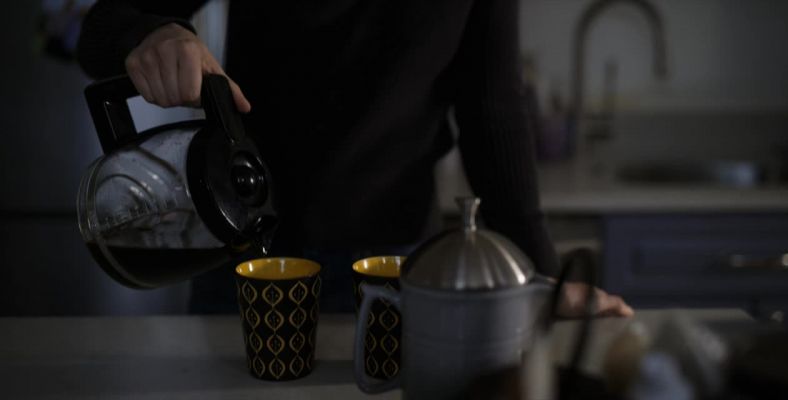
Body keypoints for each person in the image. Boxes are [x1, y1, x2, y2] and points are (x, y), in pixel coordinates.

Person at [76, 0, 633, 317]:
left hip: (399, 270)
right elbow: (100, 27)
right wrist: (155, 32)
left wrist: (543, 279)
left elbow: (492, 110)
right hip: (253, 262)